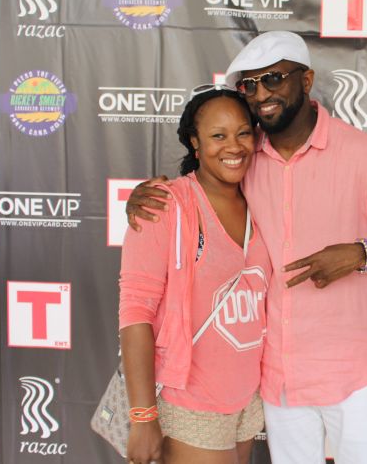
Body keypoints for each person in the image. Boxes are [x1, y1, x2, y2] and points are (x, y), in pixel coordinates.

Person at [126, 30, 367, 464]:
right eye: (249, 85)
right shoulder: (247, 158)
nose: (261, 94)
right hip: (278, 377)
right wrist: (145, 197)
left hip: (352, 371)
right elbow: (201, 183)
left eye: (274, 79)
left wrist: (360, 254)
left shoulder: (364, 154)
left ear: (306, 80)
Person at [119, 88, 270, 464]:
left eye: (243, 133)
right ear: (195, 142)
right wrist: (143, 417)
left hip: (247, 397)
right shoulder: (164, 205)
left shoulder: (262, 198)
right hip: (188, 400)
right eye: (218, 135)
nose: (233, 146)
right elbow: (136, 312)